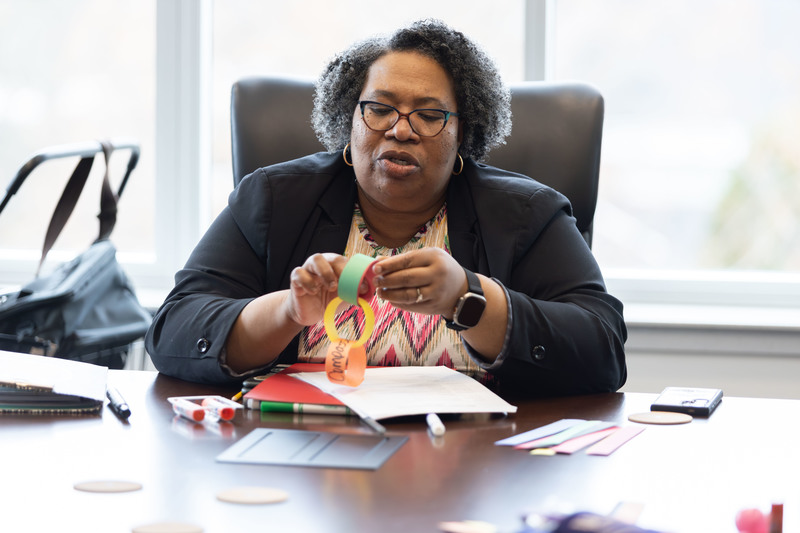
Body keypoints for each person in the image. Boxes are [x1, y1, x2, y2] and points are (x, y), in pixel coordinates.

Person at [145, 19, 627, 397]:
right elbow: (173, 332)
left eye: (430, 114)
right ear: (348, 120)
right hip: (302, 459)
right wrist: (289, 310)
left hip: (474, 465)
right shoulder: (275, 198)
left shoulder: (525, 213)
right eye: (379, 108)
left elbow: (602, 350)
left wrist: (469, 298)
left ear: (464, 133)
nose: (400, 129)